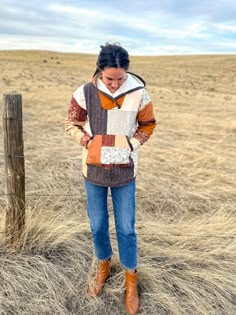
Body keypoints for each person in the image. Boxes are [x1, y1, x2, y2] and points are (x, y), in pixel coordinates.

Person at [65, 43, 156, 315]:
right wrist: (86, 141)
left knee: (126, 228)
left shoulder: (139, 93)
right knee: (97, 225)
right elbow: (72, 123)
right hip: (93, 171)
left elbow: (148, 125)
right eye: (109, 79)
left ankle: (131, 280)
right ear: (100, 71)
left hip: (125, 170)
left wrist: (133, 145)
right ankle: (103, 268)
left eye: (120, 78)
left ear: (126, 71)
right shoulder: (84, 92)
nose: (115, 84)